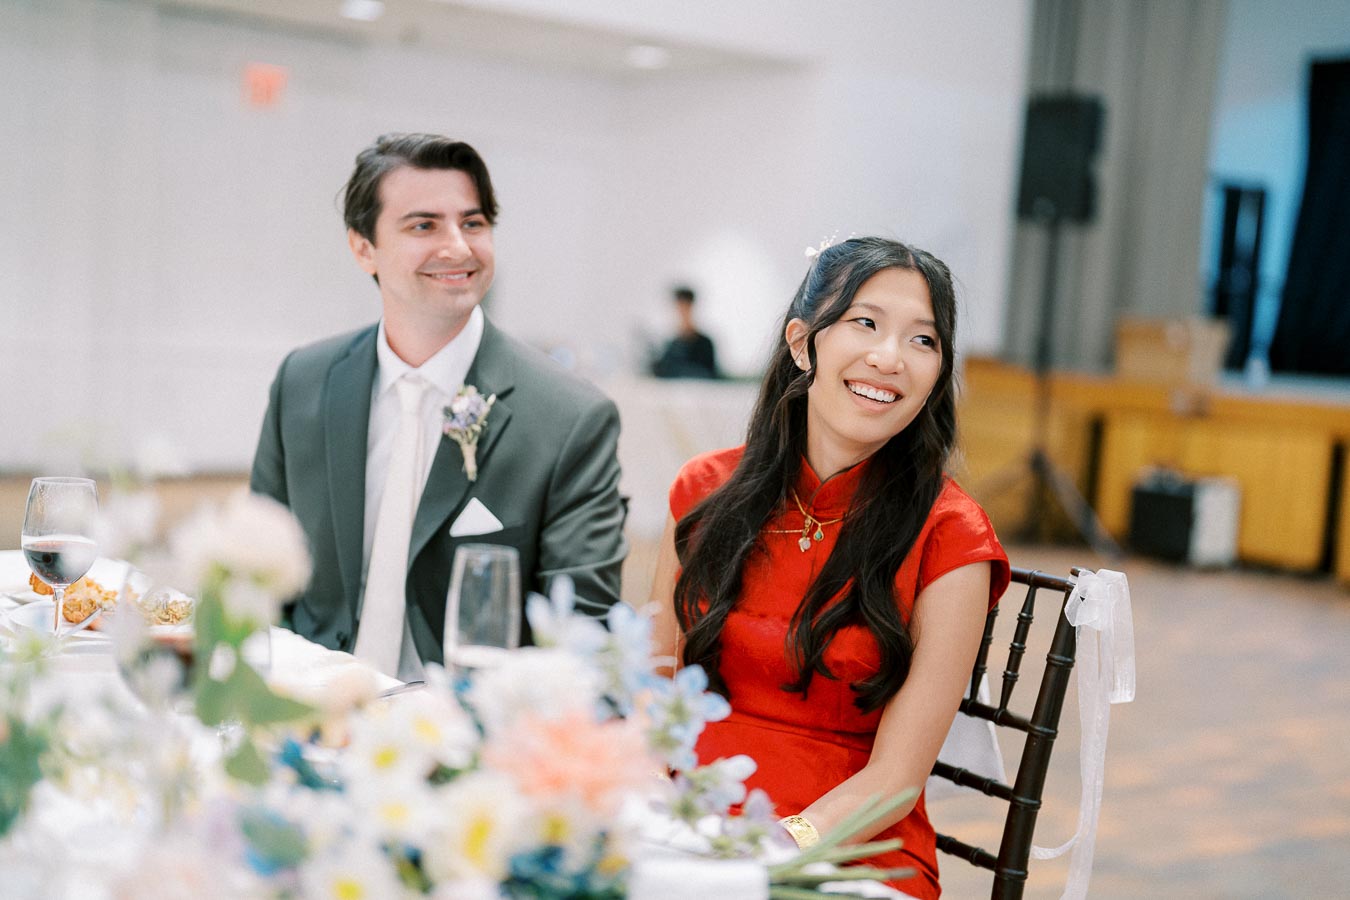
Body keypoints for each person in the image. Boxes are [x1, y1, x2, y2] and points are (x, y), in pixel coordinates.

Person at [648, 237, 1010, 898]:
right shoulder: (705, 491)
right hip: (686, 824)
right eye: (865, 323)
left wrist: (777, 847)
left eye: (923, 340)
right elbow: (654, 686)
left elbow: (896, 780)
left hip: (843, 848)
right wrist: (647, 810)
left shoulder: (952, 534)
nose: (889, 357)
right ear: (801, 342)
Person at [251, 133, 627, 679]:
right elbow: (258, 574)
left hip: (463, 717)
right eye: (423, 226)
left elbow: (583, 637)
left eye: (473, 223)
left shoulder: (570, 418)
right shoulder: (304, 381)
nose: (458, 247)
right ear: (363, 248)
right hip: (308, 698)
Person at [650, 285, 719, 379]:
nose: (682, 312)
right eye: (679, 307)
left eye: (685, 306)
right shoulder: (672, 345)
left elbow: (709, 374)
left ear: (691, 307)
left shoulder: (705, 344)